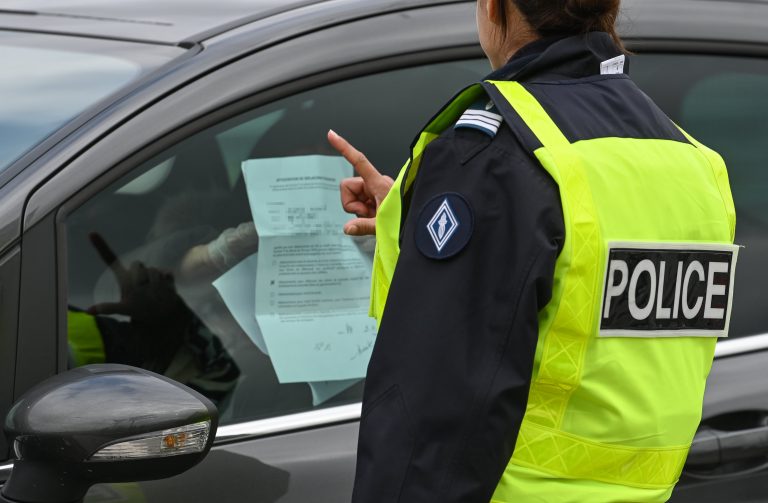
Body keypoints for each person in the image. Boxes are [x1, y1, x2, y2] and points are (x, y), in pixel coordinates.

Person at [328, 0, 738, 502]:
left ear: (493, 8)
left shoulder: (497, 156)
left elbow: (431, 422)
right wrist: (417, 215)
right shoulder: (695, 165)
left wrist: (467, 195)